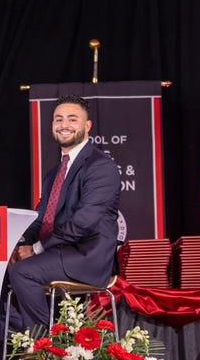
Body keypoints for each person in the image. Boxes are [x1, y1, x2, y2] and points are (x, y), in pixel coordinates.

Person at [8, 95, 120, 331]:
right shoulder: (56, 171)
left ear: (87, 126)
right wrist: (17, 245)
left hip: (86, 256)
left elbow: (83, 223)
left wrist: (36, 248)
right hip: (58, 251)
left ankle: (44, 347)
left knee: (24, 272)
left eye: (72, 119)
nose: (64, 125)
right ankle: (22, 339)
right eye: (58, 119)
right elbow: (40, 218)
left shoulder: (100, 166)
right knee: (6, 269)